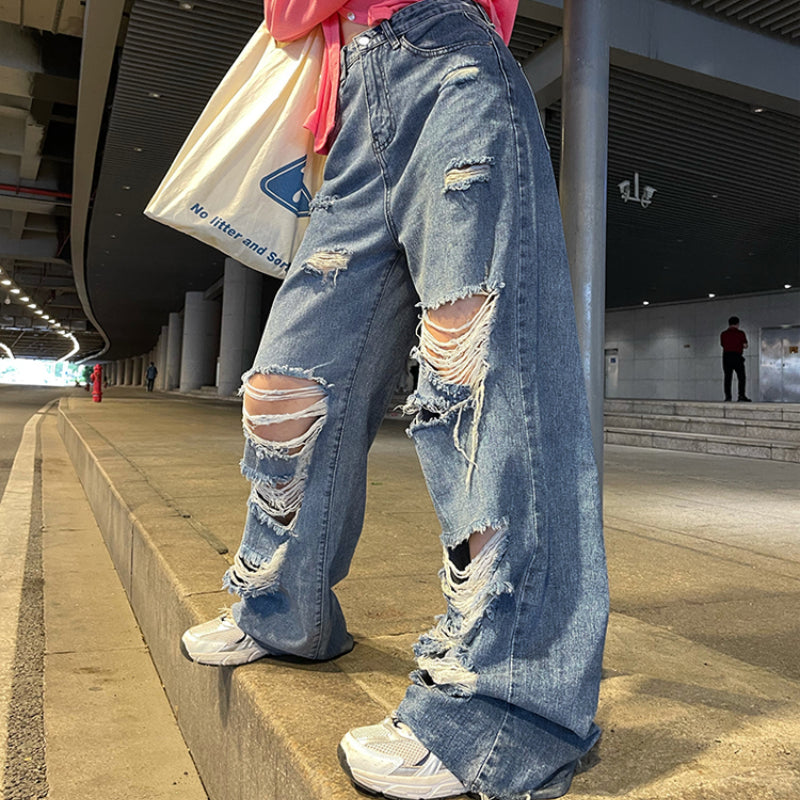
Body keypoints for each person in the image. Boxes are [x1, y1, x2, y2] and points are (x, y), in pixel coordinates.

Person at [181, 2, 609, 799]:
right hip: (352, 114)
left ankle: (509, 706)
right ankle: (284, 607)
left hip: (452, 72)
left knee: (474, 371)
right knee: (286, 384)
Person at [720, 316, 750, 402]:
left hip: (726, 357)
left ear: (729, 324)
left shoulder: (723, 334)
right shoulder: (741, 333)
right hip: (737, 356)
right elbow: (745, 345)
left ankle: (728, 397)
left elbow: (722, 344)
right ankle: (741, 395)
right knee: (741, 377)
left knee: (727, 377)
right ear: (737, 324)